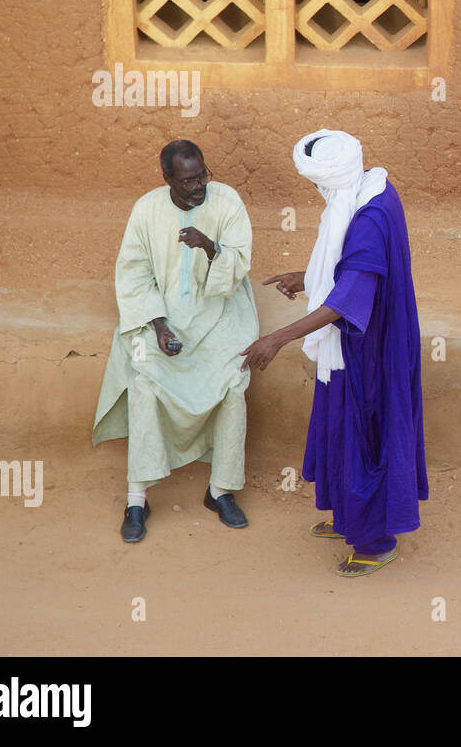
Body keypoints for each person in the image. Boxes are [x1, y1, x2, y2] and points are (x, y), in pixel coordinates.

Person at [240, 129, 427, 577]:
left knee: (365, 434)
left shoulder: (368, 219)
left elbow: (347, 300)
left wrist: (276, 338)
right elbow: (352, 271)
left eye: (319, 183)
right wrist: (308, 276)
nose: (319, 191)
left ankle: (375, 539)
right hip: (358, 341)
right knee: (342, 430)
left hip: (369, 349)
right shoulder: (375, 188)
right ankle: (350, 514)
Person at [92, 140, 259, 542]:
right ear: (167, 179)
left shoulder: (228, 201)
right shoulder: (147, 209)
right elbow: (133, 275)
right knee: (144, 380)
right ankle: (137, 499)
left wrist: (210, 246)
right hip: (159, 319)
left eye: (202, 175)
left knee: (233, 382)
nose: (198, 185)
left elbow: (238, 265)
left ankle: (220, 490)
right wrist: (160, 326)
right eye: (187, 181)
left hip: (222, 317)